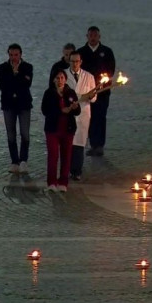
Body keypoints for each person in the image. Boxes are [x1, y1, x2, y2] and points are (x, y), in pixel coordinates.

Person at [77, 26, 115, 156]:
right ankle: (92, 143)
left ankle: (99, 145)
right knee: (89, 117)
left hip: (103, 92)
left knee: (101, 117)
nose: (93, 38)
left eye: (95, 35)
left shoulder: (107, 51)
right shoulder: (81, 52)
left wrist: (102, 82)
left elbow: (111, 70)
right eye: (90, 35)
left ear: (99, 37)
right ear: (87, 36)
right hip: (87, 92)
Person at [41, 69, 80, 192]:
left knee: (66, 156)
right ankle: (51, 182)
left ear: (65, 79)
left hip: (67, 130)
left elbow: (77, 111)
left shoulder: (71, 93)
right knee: (53, 155)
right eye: (57, 78)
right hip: (53, 129)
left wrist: (74, 108)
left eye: (62, 78)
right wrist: (60, 111)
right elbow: (45, 110)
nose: (60, 80)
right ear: (53, 79)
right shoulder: (49, 93)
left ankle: (63, 182)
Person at [0, 43, 33, 174]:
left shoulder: (28, 67)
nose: (13, 58)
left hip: (24, 104)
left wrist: (15, 76)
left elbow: (27, 84)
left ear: (21, 54)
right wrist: (17, 78)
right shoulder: (2, 67)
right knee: (11, 134)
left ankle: (24, 160)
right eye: (11, 55)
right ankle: (14, 161)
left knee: (25, 133)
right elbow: (2, 85)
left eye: (16, 55)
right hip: (8, 104)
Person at [64, 51, 96, 181]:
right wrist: (79, 97)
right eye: (72, 61)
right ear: (69, 61)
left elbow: (94, 98)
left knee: (79, 144)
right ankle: (66, 169)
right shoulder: (63, 75)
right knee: (67, 142)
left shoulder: (89, 77)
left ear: (81, 62)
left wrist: (91, 96)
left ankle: (77, 171)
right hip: (69, 113)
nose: (75, 64)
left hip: (83, 113)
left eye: (77, 61)